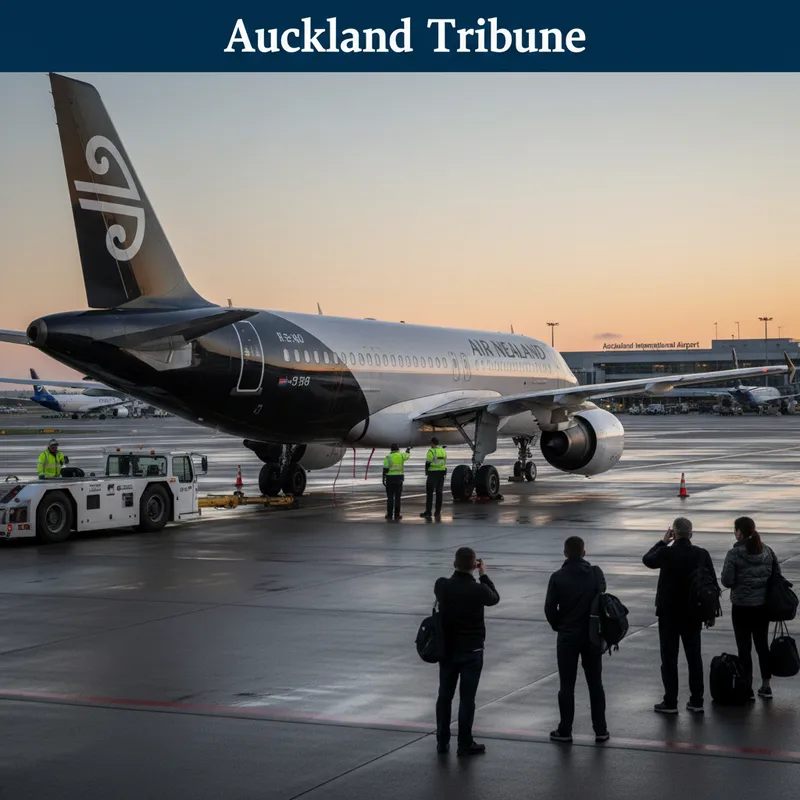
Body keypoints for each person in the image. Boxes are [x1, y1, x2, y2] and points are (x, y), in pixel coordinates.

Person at [643, 517, 717, 714]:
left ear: (673, 534)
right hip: (693, 613)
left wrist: (663, 541)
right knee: (694, 658)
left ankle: (670, 701)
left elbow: (647, 560)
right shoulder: (701, 554)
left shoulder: (666, 552)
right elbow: (712, 584)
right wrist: (710, 613)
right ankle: (696, 700)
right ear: (691, 534)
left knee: (669, 658)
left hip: (669, 614)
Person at [434, 547, 500, 756]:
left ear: (454, 564)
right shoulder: (478, 590)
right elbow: (494, 598)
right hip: (472, 650)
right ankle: (464, 742)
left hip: (448, 650)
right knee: (467, 699)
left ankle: (442, 741)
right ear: (474, 565)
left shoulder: (442, 585)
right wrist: (484, 575)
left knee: (444, 695)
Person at [544, 536, 609, 744]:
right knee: (595, 683)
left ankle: (565, 730)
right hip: (591, 635)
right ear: (584, 552)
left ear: (565, 553)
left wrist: (560, 626)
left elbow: (549, 609)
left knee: (567, 684)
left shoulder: (557, 577)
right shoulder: (595, 573)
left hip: (568, 635)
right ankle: (601, 729)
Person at [720, 516, 777, 699]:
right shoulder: (767, 551)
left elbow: (727, 581)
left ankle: (747, 688)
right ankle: (766, 686)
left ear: (739, 532)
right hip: (762, 607)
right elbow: (776, 575)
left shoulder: (734, 554)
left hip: (742, 607)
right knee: (762, 646)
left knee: (744, 649)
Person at [420, 437, 447, 520]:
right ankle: (437, 512)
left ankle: (428, 512)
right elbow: (445, 461)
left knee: (430, 494)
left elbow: (428, 462)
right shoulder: (443, 451)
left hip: (432, 473)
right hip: (441, 473)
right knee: (439, 493)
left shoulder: (431, 451)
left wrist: (426, 471)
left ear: (432, 443)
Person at [382, 444, 410, 520]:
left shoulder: (388, 457)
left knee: (390, 497)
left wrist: (383, 478)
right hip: (399, 479)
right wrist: (408, 450)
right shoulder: (401, 456)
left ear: (391, 450)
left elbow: (385, 469)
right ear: (398, 449)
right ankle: (397, 515)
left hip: (390, 479)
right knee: (398, 498)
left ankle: (389, 515)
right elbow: (407, 456)